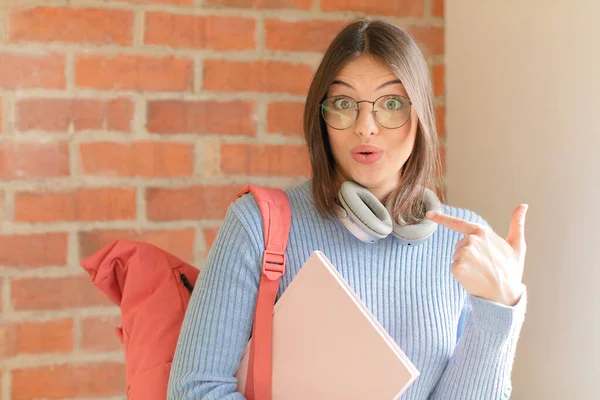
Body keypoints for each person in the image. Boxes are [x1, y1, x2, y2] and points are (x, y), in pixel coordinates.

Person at [167, 18, 528, 399]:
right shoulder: (258, 224)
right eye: (343, 103)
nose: (366, 126)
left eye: (391, 104)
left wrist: (498, 307)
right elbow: (195, 390)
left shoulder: (465, 243)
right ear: (321, 118)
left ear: (420, 113)